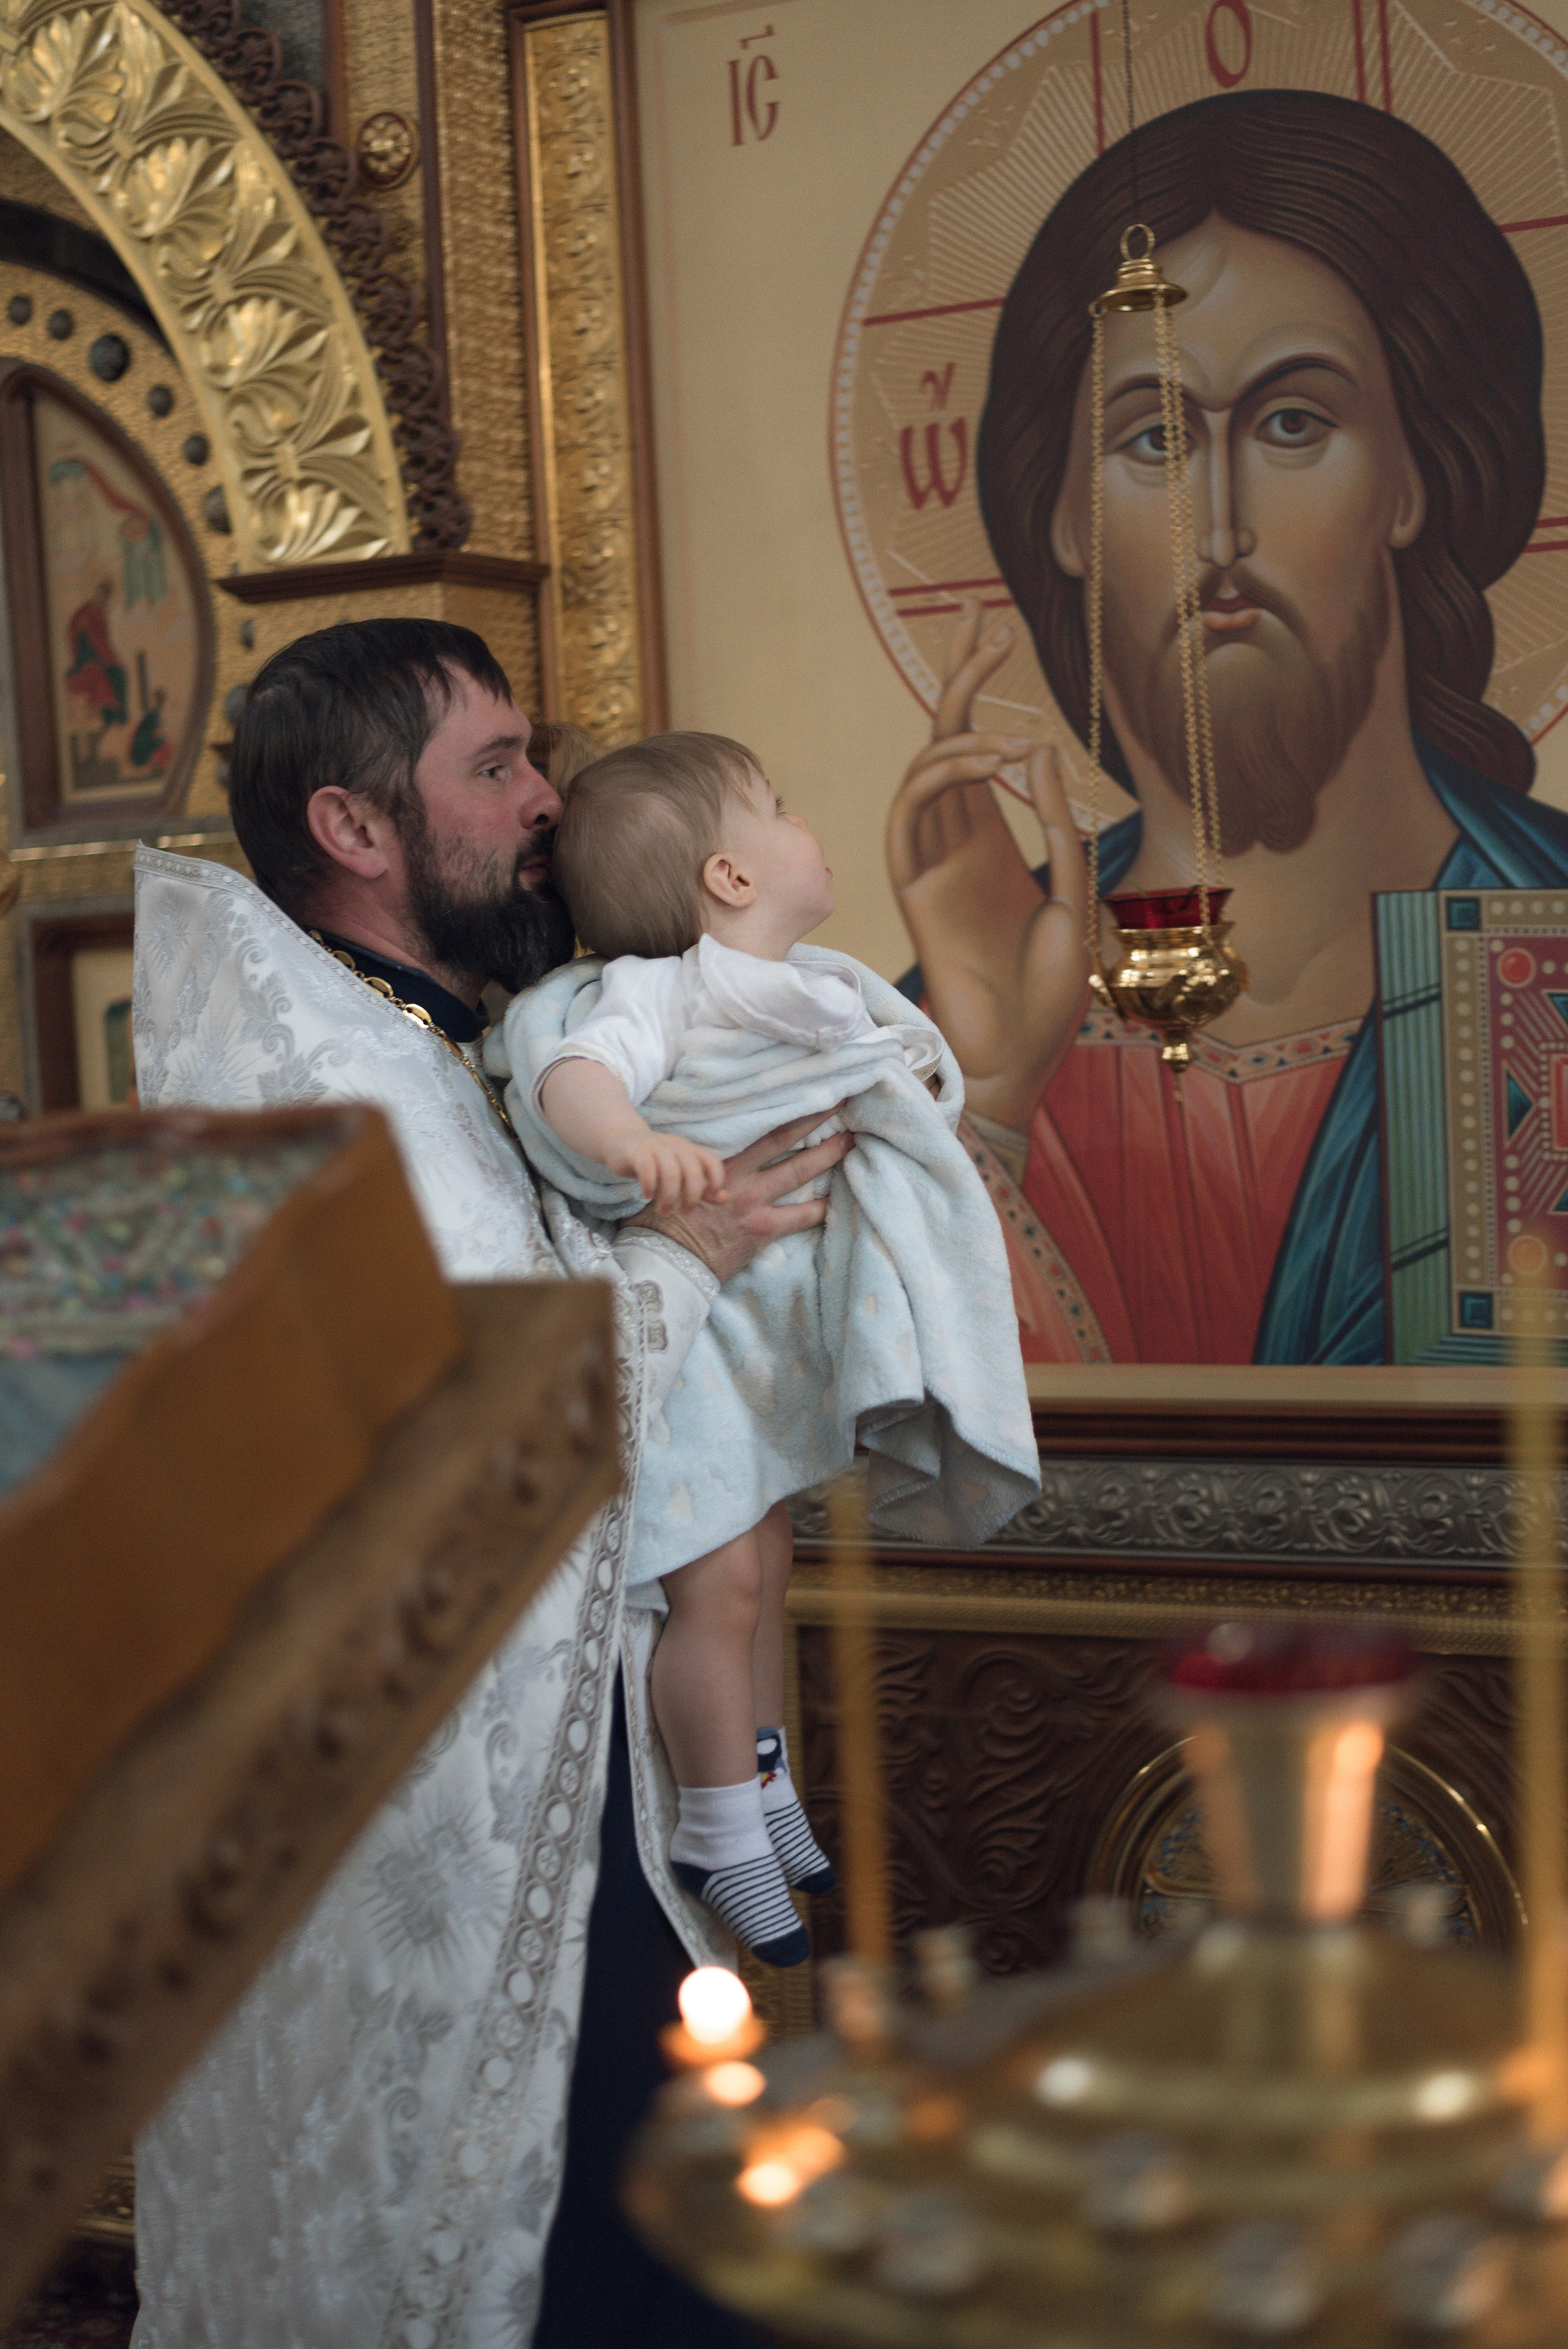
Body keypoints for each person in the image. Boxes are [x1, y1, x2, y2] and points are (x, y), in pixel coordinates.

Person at [129, 618, 852, 2348]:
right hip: (443, 1816)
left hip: (538, 1746)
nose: (547, 802)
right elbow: (485, 1421)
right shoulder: (331, 1085)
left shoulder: (430, 1038)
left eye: (537, 759)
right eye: (496, 767)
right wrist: (699, 1249)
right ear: (357, 830)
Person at [890, 88, 1568, 1367]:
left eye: (1291, 422)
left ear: (1412, 476)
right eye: (1151, 438)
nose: (1217, 525)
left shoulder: (1552, 956)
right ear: (1065, 515)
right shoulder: (927, 1034)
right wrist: (979, 1113)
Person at [510, 733, 1039, 1970]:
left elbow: (894, 1071)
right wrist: (636, 1143)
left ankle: (757, 1772)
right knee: (718, 1583)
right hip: (692, 1345)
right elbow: (573, 1075)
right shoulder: (666, 987)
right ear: (729, 878)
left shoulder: (811, 982)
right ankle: (713, 1823)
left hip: (760, 1346)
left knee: (765, 1563)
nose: (804, 826)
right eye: (778, 806)